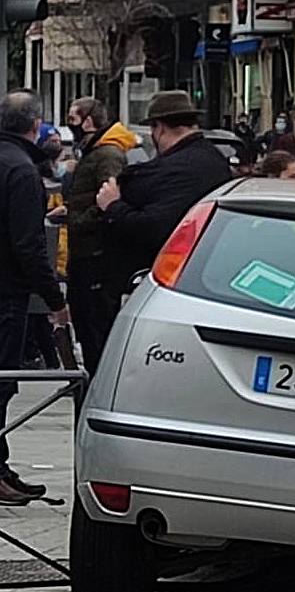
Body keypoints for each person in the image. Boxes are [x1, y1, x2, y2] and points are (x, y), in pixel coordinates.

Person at [95, 91, 232, 301]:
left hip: (160, 280)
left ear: (159, 128)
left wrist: (113, 206)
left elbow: (151, 227)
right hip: (205, 274)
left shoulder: (170, 170)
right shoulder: (215, 160)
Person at [0, 89, 69, 505]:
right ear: (36, 126)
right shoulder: (21, 171)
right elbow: (28, 246)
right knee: (2, 385)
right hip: (6, 293)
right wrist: (54, 297)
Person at [63, 97, 138, 375]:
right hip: (84, 249)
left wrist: (81, 218)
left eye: (73, 119)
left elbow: (110, 199)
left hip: (94, 254)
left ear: (89, 121)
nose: (71, 126)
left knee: (94, 328)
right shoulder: (93, 152)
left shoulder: (107, 155)